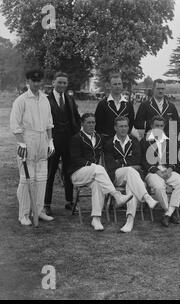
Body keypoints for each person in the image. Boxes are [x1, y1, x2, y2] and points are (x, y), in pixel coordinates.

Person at [69, 113, 134, 231]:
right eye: (88, 122)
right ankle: (116, 195)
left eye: (93, 122)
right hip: (78, 173)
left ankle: (96, 218)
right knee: (99, 168)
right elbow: (75, 159)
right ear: (82, 123)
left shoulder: (99, 137)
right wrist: (93, 166)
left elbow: (115, 140)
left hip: (94, 175)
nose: (91, 125)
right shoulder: (76, 138)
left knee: (98, 183)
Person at [10, 69, 55, 225]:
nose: (37, 83)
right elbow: (15, 126)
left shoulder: (45, 99)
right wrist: (22, 142)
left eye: (39, 81)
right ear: (27, 81)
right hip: (27, 140)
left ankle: (38, 210)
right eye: (33, 81)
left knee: (42, 178)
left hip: (43, 139)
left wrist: (50, 141)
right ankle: (23, 214)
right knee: (26, 178)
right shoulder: (21, 100)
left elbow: (49, 123)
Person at [103, 116, 158, 233]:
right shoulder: (108, 143)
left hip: (133, 177)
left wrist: (120, 162)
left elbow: (137, 160)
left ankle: (130, 220)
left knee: (131, 186)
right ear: (115, 128)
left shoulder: (134, 141)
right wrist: (127, 164)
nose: (124, 129)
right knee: (129, 171)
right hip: (116, 176)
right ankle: (146, 196)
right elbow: (111, 165)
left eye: (126, 126)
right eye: (121, 126)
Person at [44, 72, 81, 215]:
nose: (62, 85)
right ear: (53, 82)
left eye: (64, 83)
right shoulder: (46, 99)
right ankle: (46, 204)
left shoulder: (70, 99)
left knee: (68, 171)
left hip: (68, 140)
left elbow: (76, 118)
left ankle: (69, 201)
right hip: (52, 140)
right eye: (59, 82)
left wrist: (76, 134)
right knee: (50, 172)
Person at [141, 116, 180, 227]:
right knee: (159, 187)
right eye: (157, 125)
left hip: (167, 170)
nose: (159, 128)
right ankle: (168, 211)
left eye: (161, 126)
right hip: (152, 172)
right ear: (151, 126)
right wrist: (157, 171)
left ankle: (168, 214)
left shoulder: (169, 140)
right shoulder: (144, 141)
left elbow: (174, 159)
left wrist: (170, 169)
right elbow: (143, 161)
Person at [94, 73, 135, 140]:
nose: (117, 86)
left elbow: (130, 123)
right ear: (110, 86)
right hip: (106, 141)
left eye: (119, 84)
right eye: (115, 84)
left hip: (123, 141)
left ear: (122, 85)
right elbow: (98, 126)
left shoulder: (128, 104)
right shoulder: (102, 104)